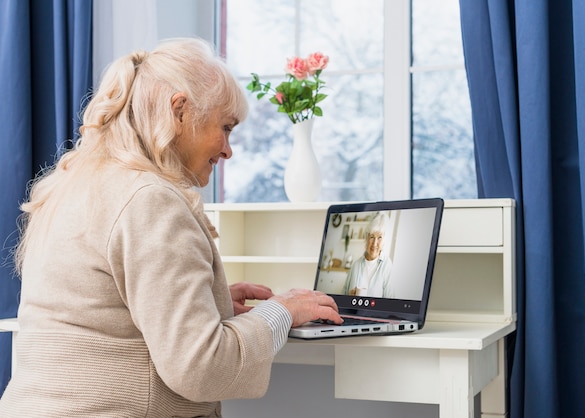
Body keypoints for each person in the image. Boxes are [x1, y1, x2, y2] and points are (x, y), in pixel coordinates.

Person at [0, 38, 342, 417]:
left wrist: (209, 301)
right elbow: (202, 368)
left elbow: (104, 310)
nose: (228, 150)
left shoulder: (74, 184)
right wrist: (281, 311)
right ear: (179, 111)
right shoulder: (150, 199)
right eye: (225, 128)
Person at [343, 212, 394, 298]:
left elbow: (391, 302)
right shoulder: (356, 265)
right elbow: (343, 294)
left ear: (384, 240)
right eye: (372, 237)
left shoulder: (387, 265)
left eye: (379, 237)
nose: (374, 243)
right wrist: (349, 298)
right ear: (366, 238)